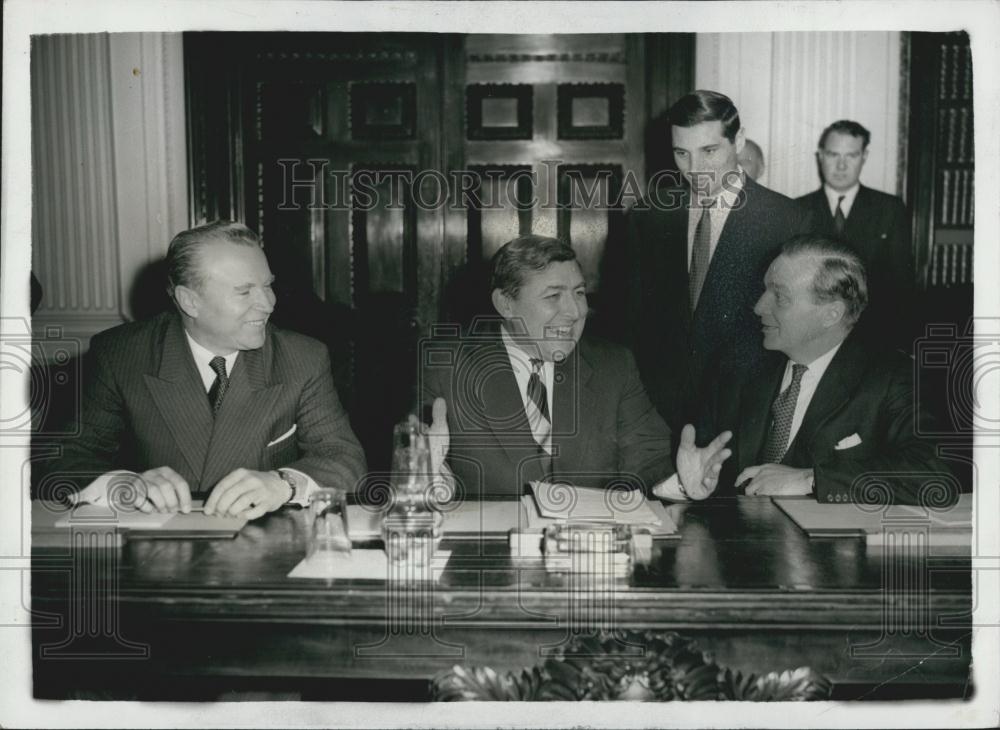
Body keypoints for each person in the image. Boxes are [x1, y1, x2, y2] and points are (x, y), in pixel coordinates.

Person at [55, 221, 366, 519]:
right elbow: (61, 458)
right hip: (159, 552)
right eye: (244, 292)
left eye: (268, 285)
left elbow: (345, 460)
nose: (268, 303)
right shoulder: (121, 355)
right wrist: (122, 484)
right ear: (190, 302)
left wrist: (284, 482)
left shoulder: (302, 357)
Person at [421, 234, 731, 501]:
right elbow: (428, 470)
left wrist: (682, 483)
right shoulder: (446, 368)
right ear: (505, 304)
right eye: (553, 296)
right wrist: (431, 478)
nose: (575, 311)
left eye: (579, 293)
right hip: (491, 560)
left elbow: (649, 461)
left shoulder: (613, 366)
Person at [694, 234, 951, 505]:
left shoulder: (890, 377)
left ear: (831, 314)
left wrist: (812, 479)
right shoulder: (736, 369)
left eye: (779, 297)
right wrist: (686, 484)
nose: (759, 307)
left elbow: (935, 474)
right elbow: (697, 469)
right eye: (764, 290)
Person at [625, 90, 810, 434]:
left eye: (709, 151)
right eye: (682, 153)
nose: (695, 170)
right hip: (657, 417)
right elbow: (631, 320)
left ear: (738, 140)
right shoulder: (647, 216)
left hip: (746, 417)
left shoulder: (788, 220)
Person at [797, 120, 915, 351]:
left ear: (864, 157)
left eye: (851, 156)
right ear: (820, 156)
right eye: (833, 155)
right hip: (813, 339)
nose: (841, 165)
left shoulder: (889, 209)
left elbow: (902, 285)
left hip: (875, 339)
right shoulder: (798, 209)